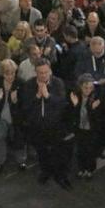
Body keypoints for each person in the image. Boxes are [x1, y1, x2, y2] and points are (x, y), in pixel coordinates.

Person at [21, 59, 71, 190]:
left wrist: (48, 96)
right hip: (37, 125)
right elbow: (25, 107)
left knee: (58, 152)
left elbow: (62, 103)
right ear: (35, 72)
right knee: (41, 151)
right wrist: (37, 96)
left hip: (55, 125)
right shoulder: (29, 85)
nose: (43, 75)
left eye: (46, 72)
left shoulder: (58, 83)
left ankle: (60, 175)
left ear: (50, 71)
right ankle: (46, 171)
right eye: (40, 73)